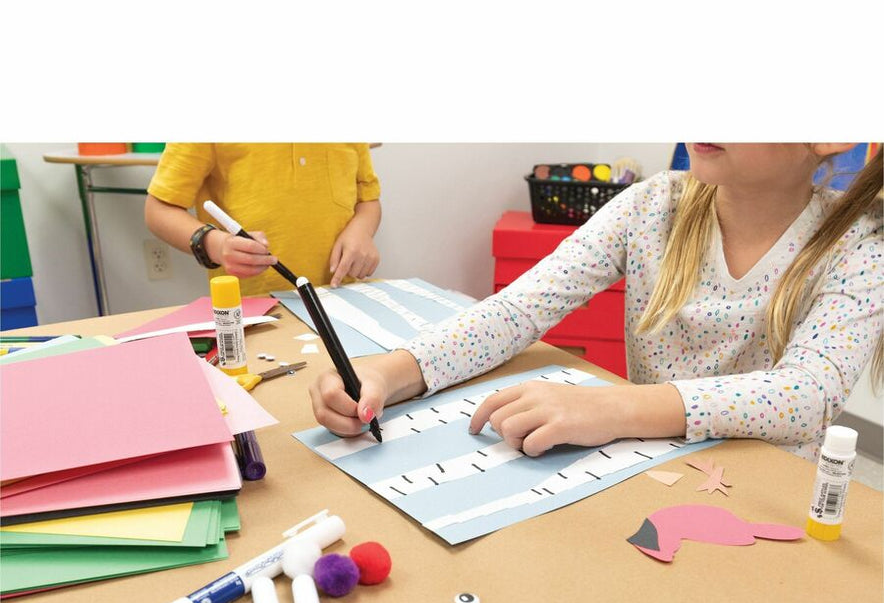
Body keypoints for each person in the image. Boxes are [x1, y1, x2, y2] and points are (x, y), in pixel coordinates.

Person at [310, 143, 882, 462]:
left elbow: (806, 395)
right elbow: (518, 310)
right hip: (649, 466)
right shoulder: (651, 205)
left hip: (769, 496)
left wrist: (612, 409)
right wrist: (392, 372)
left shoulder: (861, 243)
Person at [145, 143, 381, 295]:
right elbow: (158, 209)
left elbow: (368, 200)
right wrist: (216, 244)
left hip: (342, 298)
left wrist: (362, 229)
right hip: (254, 309)